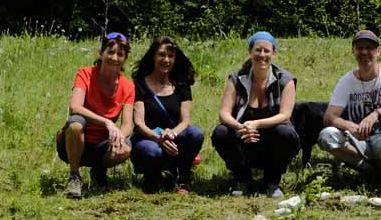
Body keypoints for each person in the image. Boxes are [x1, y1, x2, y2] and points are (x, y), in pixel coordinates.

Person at [318, 30, 381, 196]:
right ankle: (369, 171)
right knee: (327, 135)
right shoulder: (346, 81)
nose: (364, 52)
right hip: (360, 143)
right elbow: (329, 117)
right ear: (353, 51)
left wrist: (377, 113)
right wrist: (350, 126)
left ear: (378, 51)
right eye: (359, 48)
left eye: (369, 48)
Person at [212, 31, 299, 198]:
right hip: (244, 139)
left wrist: (257, 124)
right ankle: (242, 179)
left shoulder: (286, 80)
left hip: (273, 143)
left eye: (267, 51)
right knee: (221, 132)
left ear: (274, 53)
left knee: (286, 133)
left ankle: (272, 181)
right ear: (250, 52)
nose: (262, 55)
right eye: (258, 50)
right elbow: (224, 113)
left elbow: (285, 115)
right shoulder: (236, 78)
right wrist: (241, 127)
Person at [56, 32, 135, 198]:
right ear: (101, 53)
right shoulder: (85, 74)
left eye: (120, 54)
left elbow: (128, 124)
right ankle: (74, 176)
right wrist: (107, 122)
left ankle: (99, 172)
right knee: (75, 123)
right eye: (110, 52)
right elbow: (75, 107)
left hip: (102, 144)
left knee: (126, 146)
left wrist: (120, 135)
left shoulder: (128, 86)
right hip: (74, 141)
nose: (114, 58)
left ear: (125, 58)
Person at [130, 35, 203, 193]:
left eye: (170, 56)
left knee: (196, 133)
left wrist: (173, 134)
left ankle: (182, 180)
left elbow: (185, 121)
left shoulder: (182, 84)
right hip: (148, 139)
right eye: (162, 55)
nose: (166, 60)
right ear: (153, 56)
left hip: (173, 139)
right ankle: (153, 178)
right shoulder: (140, 84)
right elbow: (139, 122)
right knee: (152, 151)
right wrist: (159, 138)